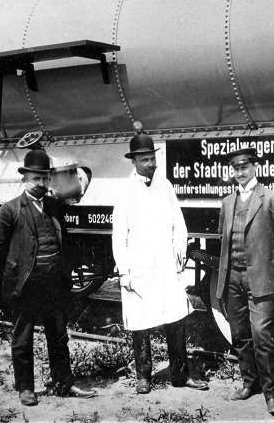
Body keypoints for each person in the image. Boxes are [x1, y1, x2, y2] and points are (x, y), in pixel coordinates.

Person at [0, 149, 96, 407]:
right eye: (36, 179)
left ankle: (63, 382)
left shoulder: (55, 206)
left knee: (58, 336)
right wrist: (15, 271)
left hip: (54, 285)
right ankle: (26, 388)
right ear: (24, 180)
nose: (42, 184)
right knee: (22, 338)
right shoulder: (10, 210)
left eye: (46, 179)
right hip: (27, 286)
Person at [111, 132, 209, 395]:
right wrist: (125, 272)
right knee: (141, 322)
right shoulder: (125, 191)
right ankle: (144, 376)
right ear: (133, 161)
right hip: (139, 267)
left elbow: (179, 223)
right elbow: (119, 236)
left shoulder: (164, 185)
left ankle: (180, 375)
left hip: (165, 265)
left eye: (152, 158)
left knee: (175, 319)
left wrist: (179, 251)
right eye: (144, 160)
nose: (150, 164)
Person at [214, 147, 274, 416]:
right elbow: (223, 240)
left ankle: (272, 393)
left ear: (255, 168)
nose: (240, 172)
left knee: (262, 335)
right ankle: (249, 383)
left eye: (244, 167)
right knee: (239, 333)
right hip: (232, 277)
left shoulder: (271, 199)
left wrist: (265, 264)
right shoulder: (226, 203)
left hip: (260, 277)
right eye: (235, 169)